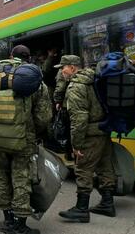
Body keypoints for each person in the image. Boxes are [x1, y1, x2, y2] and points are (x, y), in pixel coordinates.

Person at [0, 45, 52, 234]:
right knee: (21, 178)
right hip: (23, 140)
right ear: (28, 59)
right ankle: (21, 225)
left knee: (3, 177)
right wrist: (32, 131)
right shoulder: (35, 82)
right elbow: (43, 116)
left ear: (10, 56)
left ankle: (7, 221)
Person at [57, 56, 116, 223]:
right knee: (105, 167)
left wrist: (77, 145)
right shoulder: (95, 78)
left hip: (90, 134)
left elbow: (79, 118)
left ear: (73, 68)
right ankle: (107, 203)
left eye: (64, 68)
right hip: (103, 130)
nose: (62, 72)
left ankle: (81, 209)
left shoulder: (76, 86)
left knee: (83, 169)